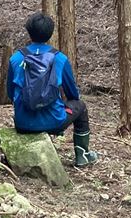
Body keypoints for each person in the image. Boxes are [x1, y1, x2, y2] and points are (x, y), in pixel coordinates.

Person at [6, 12, 98, 167]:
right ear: (50, 33)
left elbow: (10, 92)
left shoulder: (16, 58)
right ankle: (83, 155)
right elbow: (72, 94)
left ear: (29, 31)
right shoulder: (59, 58)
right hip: (54, 121)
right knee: (80, 107)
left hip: (23, 123)